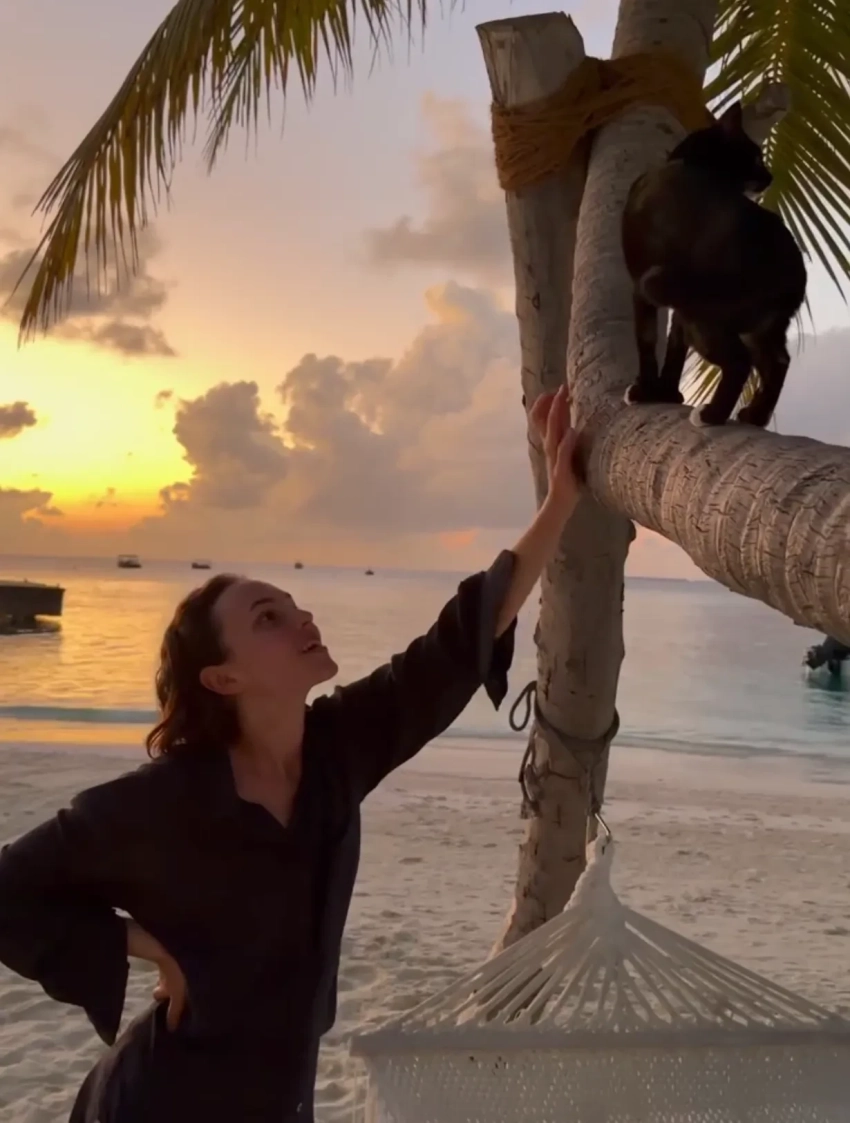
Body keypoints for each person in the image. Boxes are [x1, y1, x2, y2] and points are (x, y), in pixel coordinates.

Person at [0, 386, 583, 1123]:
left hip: (282, 1097)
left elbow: (456, 643)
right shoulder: (161, 804)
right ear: (223, 678)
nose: (302, 617)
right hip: (159, 1103)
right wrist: (147, 946)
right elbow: (9, 890)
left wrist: (560, 500)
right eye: (268, 618)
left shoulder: (337, 751)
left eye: (292, 604)